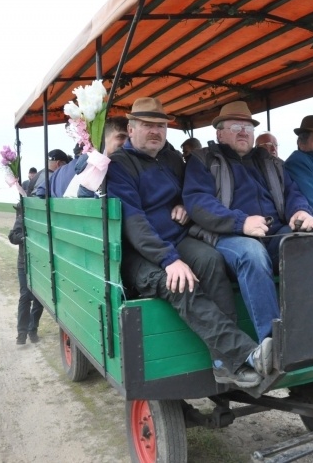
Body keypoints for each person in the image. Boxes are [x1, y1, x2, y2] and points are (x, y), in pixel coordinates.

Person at [107, 97, 272, 389]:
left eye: (160, 126)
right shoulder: (120, 165)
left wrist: (184, 203)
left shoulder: (171, 158)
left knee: (211, 260)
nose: (155, 131)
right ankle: (244, 354)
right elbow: (133, 221)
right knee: (180, 284)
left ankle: (222, 364)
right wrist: (169, 259)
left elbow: (194, 191)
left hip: (177, 238)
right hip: (139, 252)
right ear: (131, 130)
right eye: (147, 125)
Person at [183, 101, 313, 345]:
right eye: (236, 127)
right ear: (219, 133)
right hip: (227, 236)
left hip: (273, 233)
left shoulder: (270, 162)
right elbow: (198, 202)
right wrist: (240, 222)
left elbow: (292, 192)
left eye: (248, 127)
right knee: (252, 253)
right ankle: (276, 345)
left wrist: (300, 211)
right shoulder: (203, 160)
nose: (244, 132)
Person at [8, 202, 43, 344]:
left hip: (41, 265)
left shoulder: (43, 218)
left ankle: (32, 329)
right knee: (25, 296)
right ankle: (21, 333)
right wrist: (24, 237)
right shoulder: (22, 218)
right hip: (24, 264)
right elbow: (13, 237)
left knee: (40, 299)